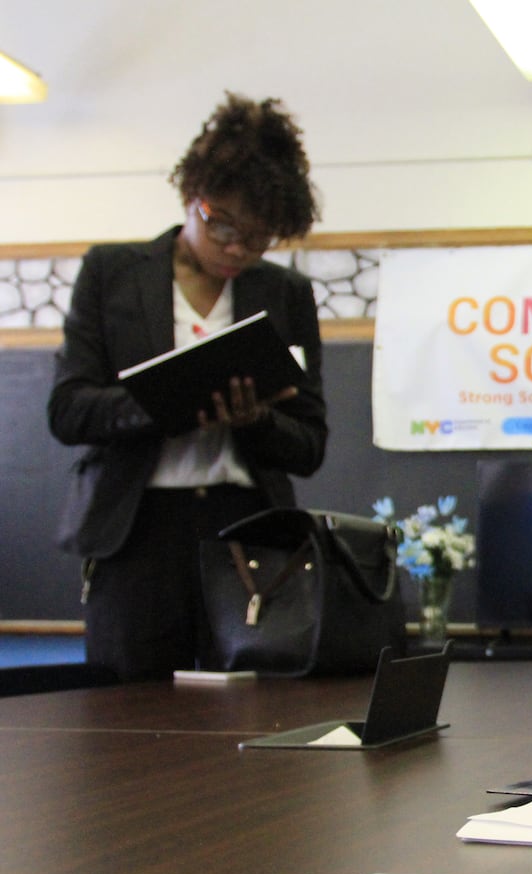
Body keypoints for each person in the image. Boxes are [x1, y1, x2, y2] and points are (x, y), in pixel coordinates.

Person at [48, 92, 327, 682]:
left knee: (253, 713)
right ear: (189, 195)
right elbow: (69, 412)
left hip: (247, 531)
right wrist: (170, 403)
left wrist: (255, 420)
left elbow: (310, 445)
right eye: (221, 224)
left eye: (258, 237)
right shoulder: (112, 274)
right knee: (124, 717)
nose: (236, 248)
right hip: (135, 533)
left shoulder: (284, 294)